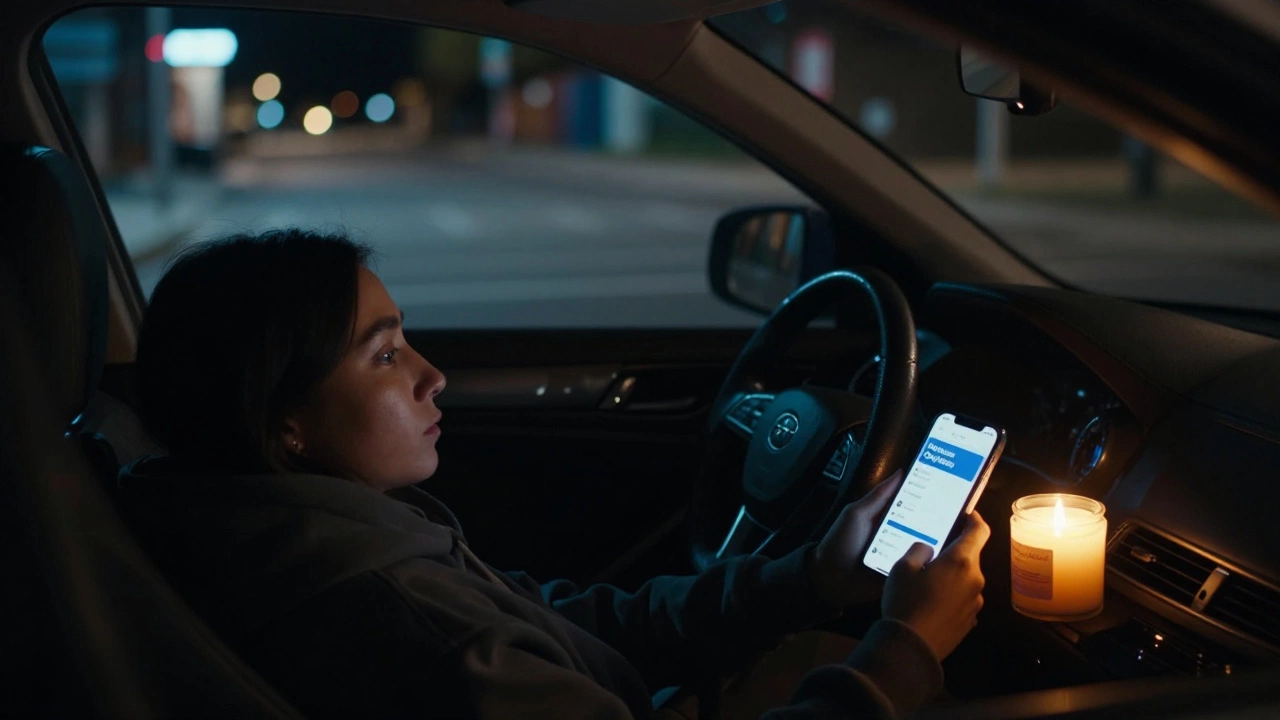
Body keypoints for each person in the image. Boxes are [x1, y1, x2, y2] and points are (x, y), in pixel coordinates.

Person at [117, 229, 989, 719]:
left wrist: (810, 577)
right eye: (384, 356)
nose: (433, 375)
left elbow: (565, 623)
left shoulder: (306, 529)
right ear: (285, 422)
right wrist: (904, 651)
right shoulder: (404, 622)